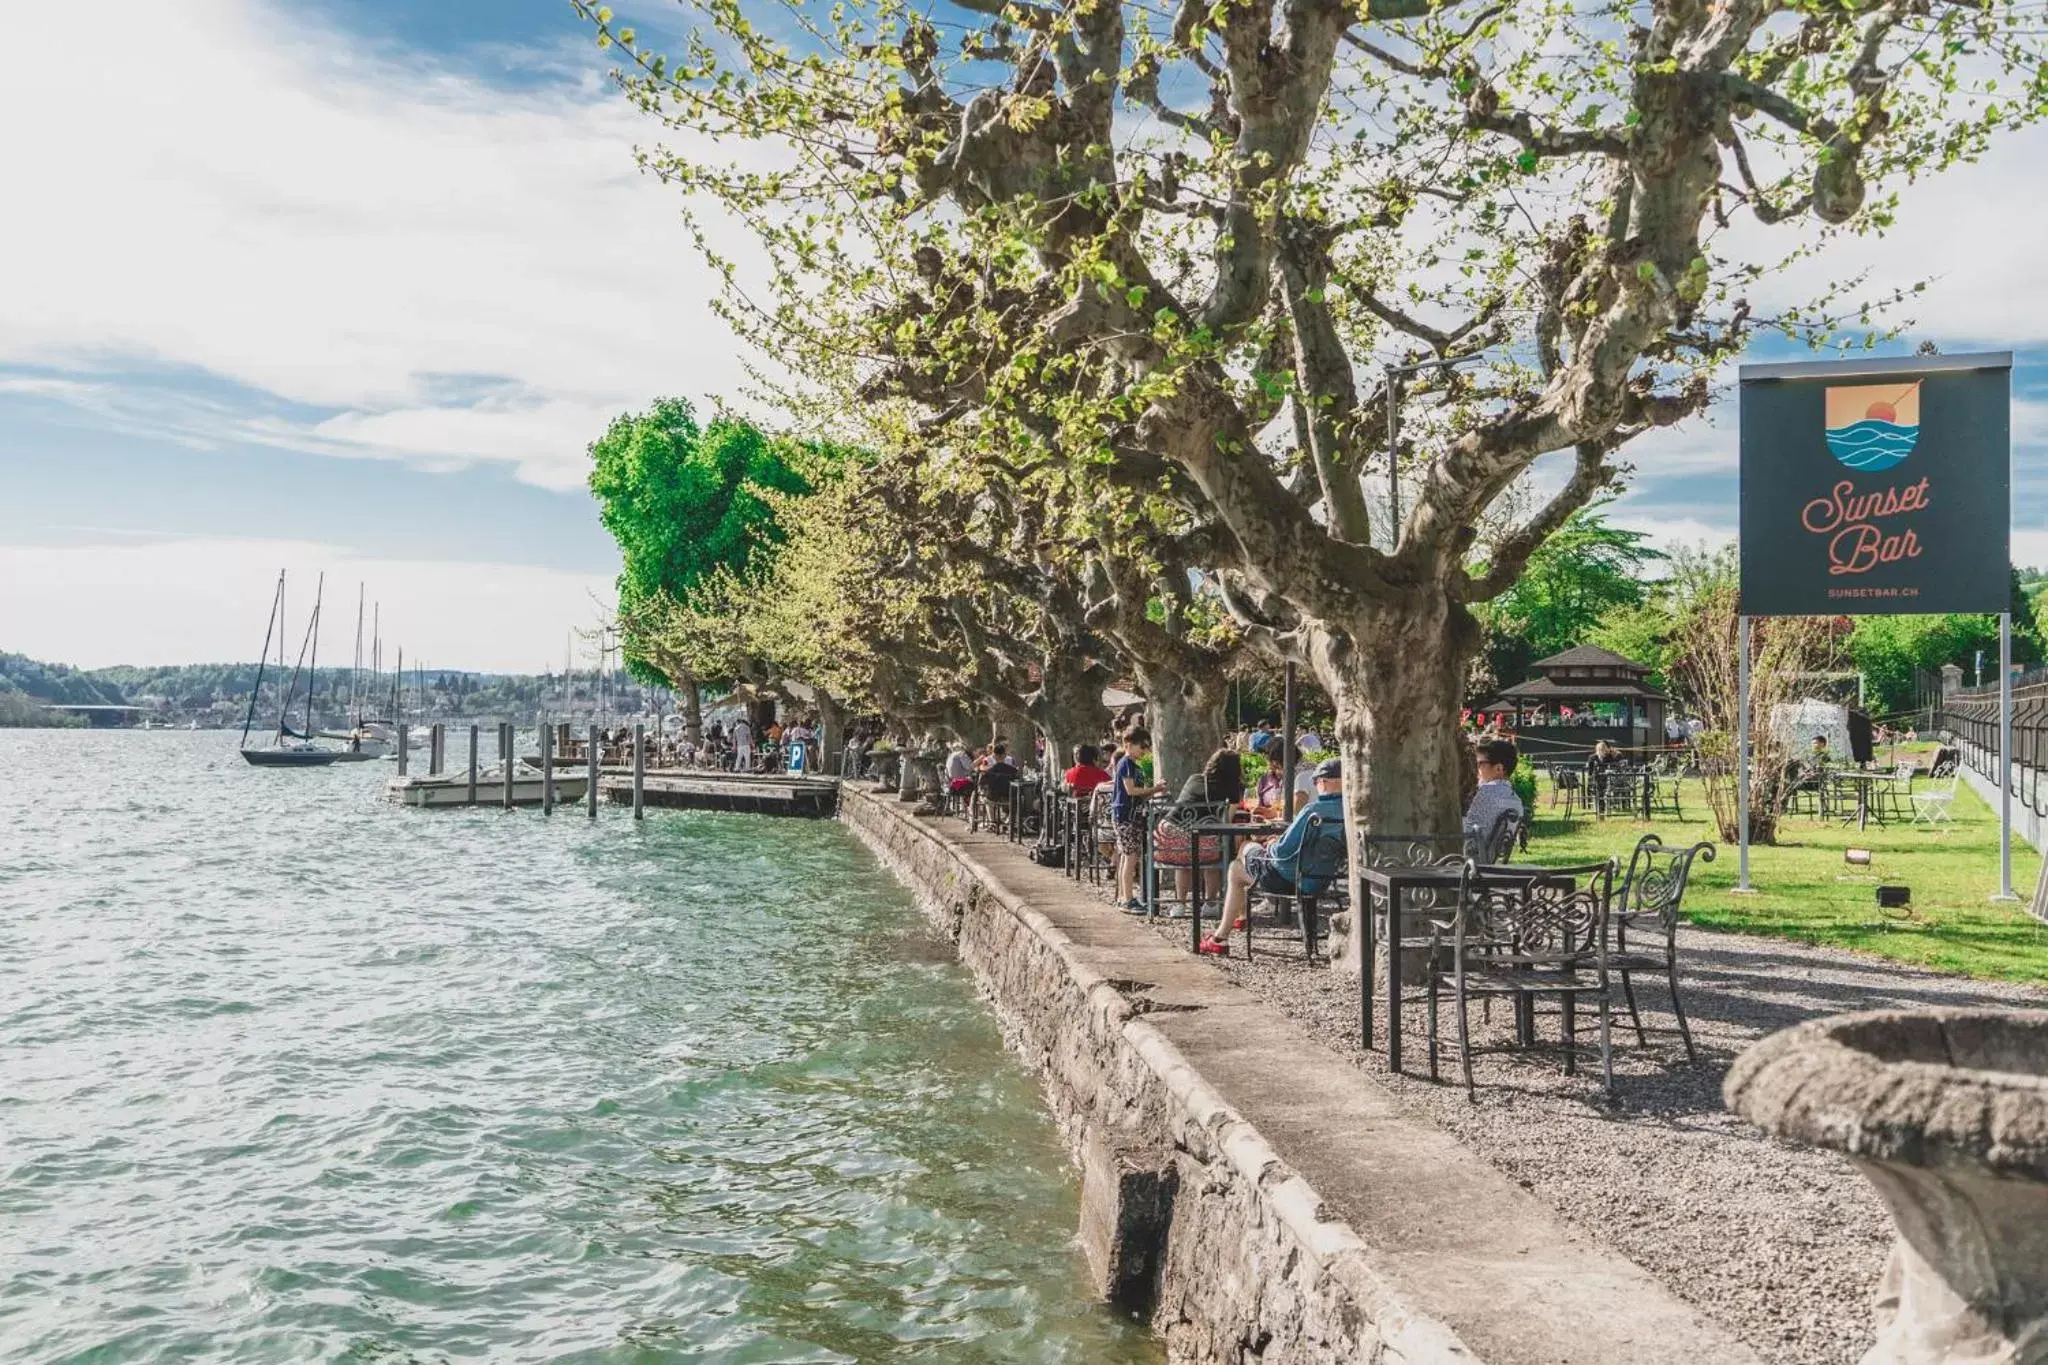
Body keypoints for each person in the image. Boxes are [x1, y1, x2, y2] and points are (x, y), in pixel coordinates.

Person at [1203, 758, 1345, 954]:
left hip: (1289, 879)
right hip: (1322, 879)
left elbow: (1283, 851)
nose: (1315, 786)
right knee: (1245, 856)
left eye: (1316, 782)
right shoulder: (1349, 813)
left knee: (1238, 862)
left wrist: (1269, 845)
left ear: (1325, 781)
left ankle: (1222, 935)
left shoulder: (1313, 811)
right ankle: (1236, 920)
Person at [1111, 729, 1166, 912]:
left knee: (1127, 857)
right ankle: (1127, 899)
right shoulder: (1126, 763)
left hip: (1129, 814)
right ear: (1128, 745)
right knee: (1131, 857)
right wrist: (1154, 789)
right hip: (1126, 815)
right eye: (1141, 746)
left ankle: (1122, 896)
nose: (1144, 750)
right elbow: (1131, 790)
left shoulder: (1133, 765)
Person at [1464, 739, 1524, 858]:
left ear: (1498, 769)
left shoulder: (1486, 792)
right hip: (1491, 861)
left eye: (1480, 764)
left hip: (1467, 861)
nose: (1477, 768)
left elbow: (1466, 832)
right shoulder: (1515, 800)